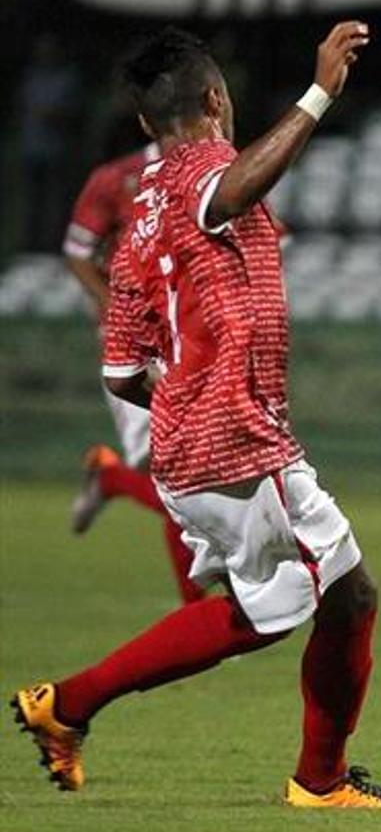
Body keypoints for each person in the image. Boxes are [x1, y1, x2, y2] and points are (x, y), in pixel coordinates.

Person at [12, 23, 381, 809]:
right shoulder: (207, 170)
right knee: (279, 609)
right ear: (216, 100)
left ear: (141, 125)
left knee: (334, 594)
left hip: (204, 438)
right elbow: (228, 194)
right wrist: (321, 93)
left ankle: (315, 777)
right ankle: (73, 704)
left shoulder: (136, 225)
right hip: (235, 438)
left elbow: (121, 370)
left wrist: (188, 396)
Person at [62, 138, 203, 604]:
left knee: (189, 475)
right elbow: (78, 251)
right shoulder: (116, 178)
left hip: (192, 336)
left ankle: (110, 477)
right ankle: (200, 610)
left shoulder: (218, 171)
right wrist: (114, 309)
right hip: (136, 344)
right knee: (171, 475)